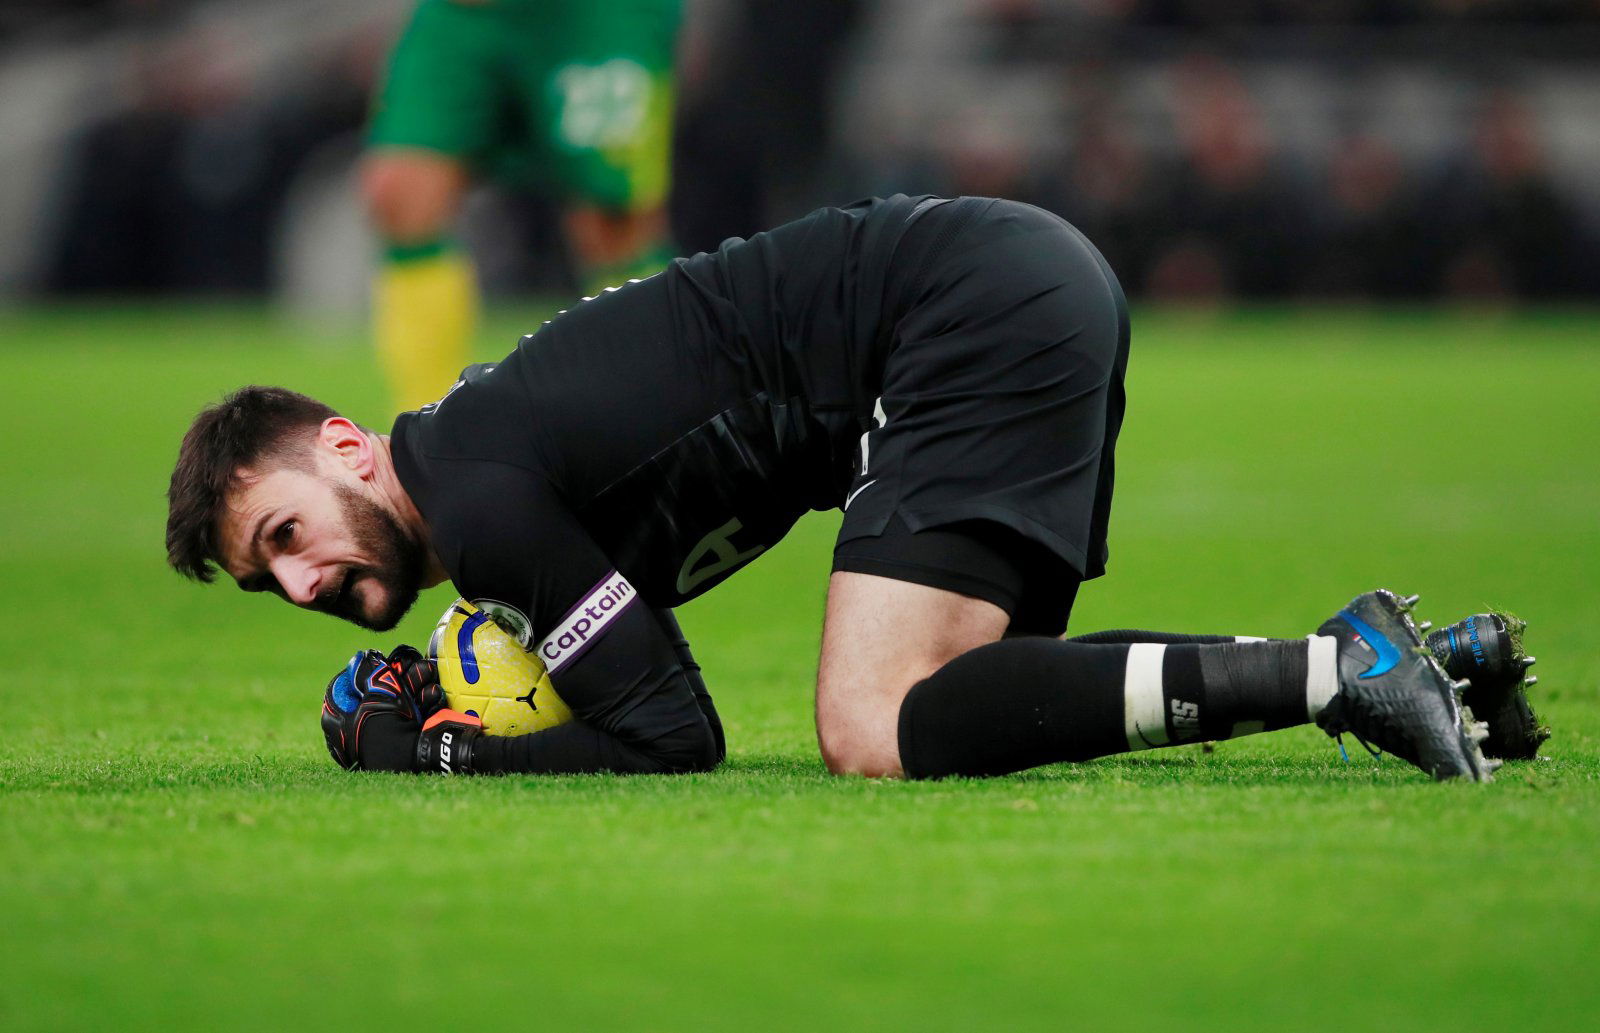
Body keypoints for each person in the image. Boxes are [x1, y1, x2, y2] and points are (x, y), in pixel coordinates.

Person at [165, 195, 1542, 782]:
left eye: (285, 531)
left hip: (954, 311)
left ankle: (1340, 668)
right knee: (972, 707)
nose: (300, 583)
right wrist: (484, 682)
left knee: (871, 724)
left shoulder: (464, 491)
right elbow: (611, 656)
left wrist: (442, 753)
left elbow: (673, 736)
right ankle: (1405, 660)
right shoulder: (476, 471)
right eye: (264, 578)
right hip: (1006, 279)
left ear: (349, 448)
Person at [364, 0, 682, 412]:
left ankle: (659, 415)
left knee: (614, 224)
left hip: (595, 13)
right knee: (401, 190)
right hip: (468, 11)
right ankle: (426, 430)